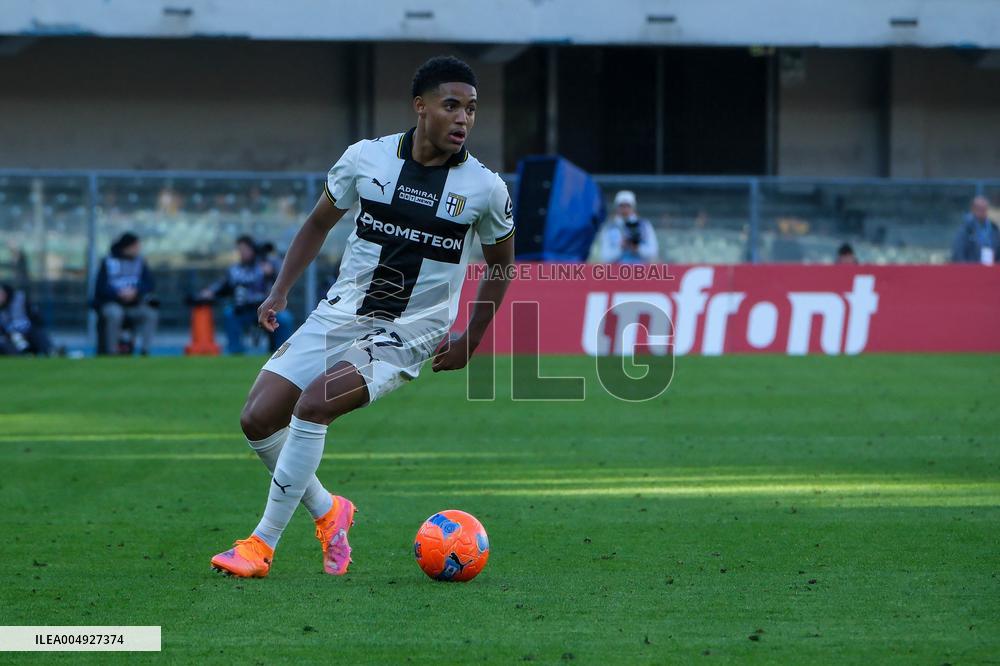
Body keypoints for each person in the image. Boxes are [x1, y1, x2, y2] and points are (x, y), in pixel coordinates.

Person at [210, 55, 516, 578]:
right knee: (258, 418)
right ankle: (331, 512)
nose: (463, 119)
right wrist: (280, 291)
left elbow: (501, 267)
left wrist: (471, 338)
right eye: (451, 106)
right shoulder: (365, 159)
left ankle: (261, 545)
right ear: (420, 107)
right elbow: (316, 225)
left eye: (471, 109)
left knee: (313, 405)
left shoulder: (485, 189)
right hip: (342, 311)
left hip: (410, 329)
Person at [199, 235, 293, 354]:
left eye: (245, 249)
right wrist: (210, 291)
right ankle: (236, 352)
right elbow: (222, 285)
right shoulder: (234, 270)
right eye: (240, 250)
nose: (242, 252)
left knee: (285, 318)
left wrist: (272, 272)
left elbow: (284, 277)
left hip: (268, 309)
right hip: (243, 310)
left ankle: (281, 354)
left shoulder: (269, 265)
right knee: (229, 314)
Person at [93, 232, 158, 355]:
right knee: (115, 313)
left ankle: (145, 351)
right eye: (135, 247)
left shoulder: (140, 262)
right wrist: (119, 294)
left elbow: (150, 284)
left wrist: (136, 292)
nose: (138, 250)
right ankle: (112, 352)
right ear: (127, 247)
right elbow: (101, 287)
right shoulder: (108, 261)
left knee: (150, 314)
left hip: (134, 304)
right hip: (112, 303)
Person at [598, 190, 659, 263]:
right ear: (617, 208)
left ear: (633, 207)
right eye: (622, 206)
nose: (625, 209)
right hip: (616, 272)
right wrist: (621, 248)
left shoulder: (644, 226)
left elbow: (653, 252)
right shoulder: (609, 228)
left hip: (640, 271)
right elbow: (605, 256)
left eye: (628, 206)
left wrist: (637, 248)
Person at [0, 284, 52, 356]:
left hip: (28, 330)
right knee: (11, 339)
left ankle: (51, 351)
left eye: (2, 294)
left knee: (38, 334)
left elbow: (36, 317)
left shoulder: (20, 299)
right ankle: (24, 354)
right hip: (11, 336)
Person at [952, 196, 1000, 264]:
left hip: (992, 270)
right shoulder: (965, 229)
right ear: (973, 209)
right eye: (980, 209)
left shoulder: (993, 228)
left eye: (985, 209)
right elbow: (959, 254)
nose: (983, 212)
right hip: (971, 270)